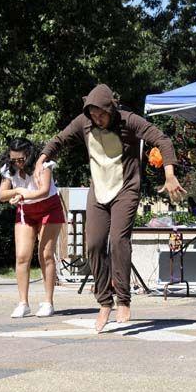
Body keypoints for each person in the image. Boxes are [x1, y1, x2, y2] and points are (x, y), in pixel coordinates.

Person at [34, 84, 185, 332]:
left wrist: (169, 173)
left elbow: (162, 139)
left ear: (111, 109)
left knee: (117, 241)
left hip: (126, 189)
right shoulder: (83, 122)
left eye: (101, 115)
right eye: (93, 116)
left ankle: (123, 299)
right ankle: (104, 301)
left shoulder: (129, 120)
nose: (97, 119)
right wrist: (42, 158)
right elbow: (59, 140)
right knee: (92, 244)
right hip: (99, 191)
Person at [0, 138, 65, 318]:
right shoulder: (8, 169)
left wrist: (24, 194)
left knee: (45, 254)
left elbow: (43, 190)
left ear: (29, 155)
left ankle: (48, 302)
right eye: (14, 160)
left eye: (21, 160)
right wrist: (18, 193)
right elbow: (2, 195)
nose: (18, 163)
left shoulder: (43, 165)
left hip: (49, 209)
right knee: (22, 256)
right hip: (26, 212)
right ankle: (23, 303)